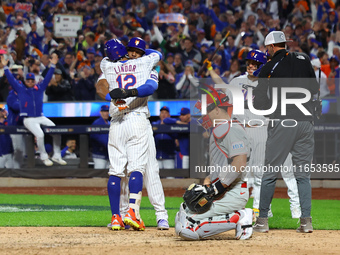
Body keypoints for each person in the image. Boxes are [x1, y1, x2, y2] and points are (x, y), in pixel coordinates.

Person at [204, 50, 301, 219]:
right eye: (249, 63)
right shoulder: (238, 81)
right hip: (241, 130)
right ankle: (243, 207)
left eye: (255, 64)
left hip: (261, 128)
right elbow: (222, 85)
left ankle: (259, 209)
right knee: (243, 172)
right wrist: (211, 70)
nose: (251, 66)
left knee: (260, 172)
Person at [98, 38, 168, 231]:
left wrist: (113, 95)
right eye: (131, 50)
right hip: (136, 118)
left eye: (138, 50)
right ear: (125, 50)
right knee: (137, 168)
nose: (134, 53)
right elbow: (158, 55)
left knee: (116, 170)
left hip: (117, 121)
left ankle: (116, 218)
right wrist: (130, 91)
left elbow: (102, 84)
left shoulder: (106, 64)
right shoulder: (145, 62)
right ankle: (130, 213)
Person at [252, 31, 319, 233]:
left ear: (271, 48)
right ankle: (306, 222)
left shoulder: (267, 68)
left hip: (282, 123)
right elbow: (314, 88)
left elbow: (260, 104)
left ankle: (262, 221)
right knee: (303, 176)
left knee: (270, 173)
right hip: (306, 124)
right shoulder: (304, 58)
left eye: (267, 48)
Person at [175, 93, 253, 240]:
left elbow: (240, 162)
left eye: (206, 111)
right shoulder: (220, 130)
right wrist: (208, 180)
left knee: (187, 228)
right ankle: (234, 215)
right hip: (222, 191)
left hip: (233, 192)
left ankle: (241, 216)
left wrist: (215, 188)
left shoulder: (232, 129)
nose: (204, 116)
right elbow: (222, 165)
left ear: (217, 110)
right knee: (183, 211)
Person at [2, 53, 67, 167]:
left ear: (35, 81)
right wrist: (5, 67)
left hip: (40, 116)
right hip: (29, 119)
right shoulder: (21, 89)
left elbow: (47, 79)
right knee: (40, 135)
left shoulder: (39, 88)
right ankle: (44, 156)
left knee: (56, 131)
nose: (31, 82)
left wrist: (52, 65)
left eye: (32, 80)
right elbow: (11, 79)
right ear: (25, 81)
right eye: (29, 81)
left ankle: (57, 155)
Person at [6, 89, 25, 168]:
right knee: (18, 149)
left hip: (22, 126)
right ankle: (16, 169)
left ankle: (18, 168)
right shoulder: (11, 96)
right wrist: (27, 104)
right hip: (14, 127)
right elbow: (16, 106)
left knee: (22, 151)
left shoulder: (23, 96)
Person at [90, 105, 110, 169]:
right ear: (100, 112)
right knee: (98, 176)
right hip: (99, 155)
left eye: (107, 111)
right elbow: (96, 138)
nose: (106, 113)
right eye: (104, 111)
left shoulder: (109, 123)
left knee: (108, 176)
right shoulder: (97, 123)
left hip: (108, 155)